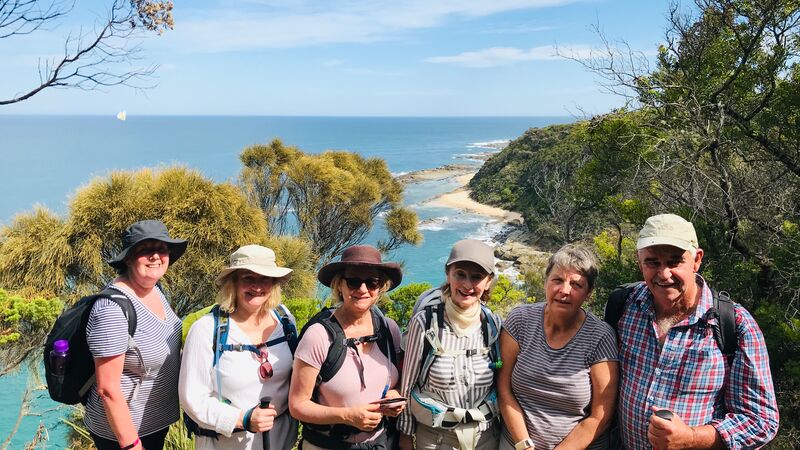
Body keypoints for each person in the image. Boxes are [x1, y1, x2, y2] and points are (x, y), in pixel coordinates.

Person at [617, 213, 779, 449]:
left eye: (674, 262)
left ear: (697, 260)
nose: (664, 274)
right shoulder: (625, 306)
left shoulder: (734, 324)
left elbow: (761, 421)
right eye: (653, 262)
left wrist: (691, 438)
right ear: (639, 261)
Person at [497, 244, 618, 450]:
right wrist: (524, 446)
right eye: (558, 280)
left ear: (588, 293)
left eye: (577, 285)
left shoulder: (600, 337)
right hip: (517, 444)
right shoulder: (520, 321)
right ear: (546, 282)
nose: (564, 290)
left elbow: (601, 416)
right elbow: (503, 388)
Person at [180, 244, 299, 450]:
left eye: (265, 278)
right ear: (233, 282)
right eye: (248, 278)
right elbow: (193, 398)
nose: (257, 286)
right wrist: (243, 419)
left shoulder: (284, 320)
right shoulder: (207, 329)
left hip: (281, 442)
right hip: (226, 444)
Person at [84, 220, 188, 450]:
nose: (155, 256)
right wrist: (131, 444)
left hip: (154, 422)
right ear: (128, 258)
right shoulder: (112, 309)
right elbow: (107, 388)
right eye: (145, 249)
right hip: (123, 434)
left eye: (161, 249)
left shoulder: (155, 290)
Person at [289, 245, 405, 450]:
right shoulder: (319, 335)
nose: (363, 289)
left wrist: (394, 396)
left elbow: (398, 381)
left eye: (372, 282)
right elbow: (298, 406)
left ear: (380, 288)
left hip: (381, 442)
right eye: (353, 281)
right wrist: (348, 416)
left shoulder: (389, 330)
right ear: (339, 286)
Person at [398, 239, 503, 450]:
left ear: (489, 281)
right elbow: (407, 386)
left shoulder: (493, 324)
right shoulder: (426, 323)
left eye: (477, 277)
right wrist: (406, 435)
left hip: (485, 438)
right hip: (436, 439)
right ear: (448, 274)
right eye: (460, 274)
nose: (467, 285)